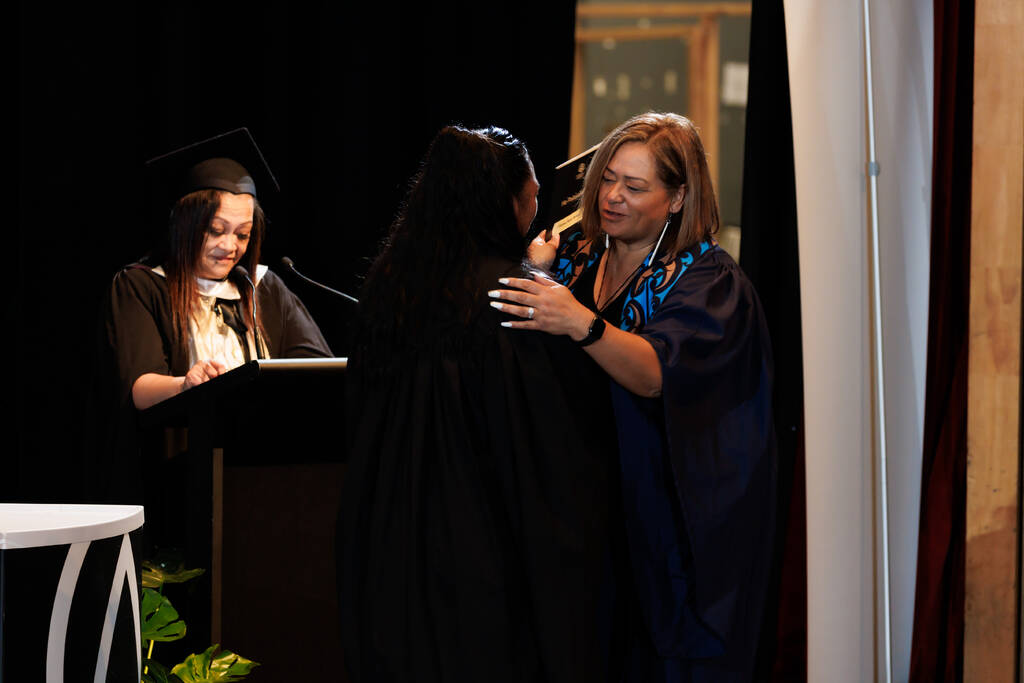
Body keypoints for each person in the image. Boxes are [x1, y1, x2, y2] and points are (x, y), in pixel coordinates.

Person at [491, 112, 776, 681]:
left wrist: (581, 321)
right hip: (579, 513)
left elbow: (654, 374)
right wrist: (533, 270)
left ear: (677, 199)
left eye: (635, 186)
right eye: (608, 178)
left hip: (661, 523)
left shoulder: (709, 281)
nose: (612, 197)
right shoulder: (578, 255)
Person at [336, 125, 617, 683]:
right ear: (503, 201)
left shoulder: (391, 284)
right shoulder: (513, 297)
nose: (535, 210)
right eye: (531, 196)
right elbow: (547, 445)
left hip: (385, 540)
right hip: (477, 552)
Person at [93, 128, 332, 538]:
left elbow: (313, 368)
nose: (230, 245)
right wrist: (187, 385)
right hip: (175, 478)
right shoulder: (142, 285)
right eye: (216, 230)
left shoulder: (264, 288)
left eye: (242, 234)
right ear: (186, 225)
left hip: (265, 478)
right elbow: (138, 386)